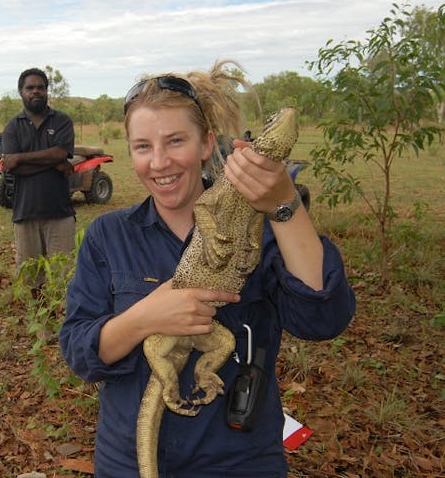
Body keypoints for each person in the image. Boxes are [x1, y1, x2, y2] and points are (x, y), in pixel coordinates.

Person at [59, 61, 356, 477]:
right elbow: (80, 352)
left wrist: (285, 206)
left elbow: (323, 319)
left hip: (238, 461)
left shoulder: (262, 227)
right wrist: (146, 317)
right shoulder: (109, 235)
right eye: (143, 146)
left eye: (175, 140)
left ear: (206, 143)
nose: (159, 162)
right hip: (127, 460)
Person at [0, 68, 76, 295]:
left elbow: (60, 153)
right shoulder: (13, 126)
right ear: (21, 92)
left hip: (60, 212)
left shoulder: (62, 120)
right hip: (25, 213)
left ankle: (64, 327)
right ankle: (42, 328)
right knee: (32, 278)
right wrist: (54, 160)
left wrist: (20, 158)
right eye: (30, 88)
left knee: (64, 275)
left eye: (40, 87)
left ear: (47, 91)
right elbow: (12, 167)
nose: (36, 92)